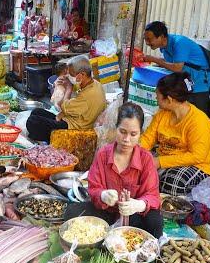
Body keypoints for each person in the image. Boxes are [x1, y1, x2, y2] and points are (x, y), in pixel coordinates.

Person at [64, 102, 163, 238]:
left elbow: (152, 195)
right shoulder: (103, 154)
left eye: (133, 134)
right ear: (116, 128)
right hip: (107, 212)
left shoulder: (146, 158)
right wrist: (103, 195)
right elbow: (94, 188)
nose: (126, 139)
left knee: (155, 221)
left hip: (133, 216)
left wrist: (139, 204)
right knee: (71, 212)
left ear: (140, 133)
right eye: (122, 132)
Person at [140, 71, 210, 196]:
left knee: (171, 182)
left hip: (196, 166)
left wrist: (160, 162)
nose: (156, 98)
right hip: (165, 159)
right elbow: (147, 139)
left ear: (169, 99)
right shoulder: (161, 114)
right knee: (136, 167)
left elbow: (197, 156)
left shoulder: (198, 121)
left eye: (157, 95)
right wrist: (135, 151)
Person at [26, 55, 106, 143]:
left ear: (82, 74)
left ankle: (48, 137)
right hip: (73, 118)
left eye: (71, 74)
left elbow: (64, 107)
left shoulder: (88, 95)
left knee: (32, 121)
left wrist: (68, 89)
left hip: (75, 127)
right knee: (36, 112)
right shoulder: (95, 84)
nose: (69, 76)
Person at [143, 21, 210, 114]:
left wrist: (154, 59)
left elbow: (177, 68)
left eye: (149, 39)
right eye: (145, 39)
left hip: (199, 83)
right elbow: (169, 62)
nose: (147, 43)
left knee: (197, 115)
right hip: (185, 82)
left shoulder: (179, 43)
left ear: (162, 37)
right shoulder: (164, 47)